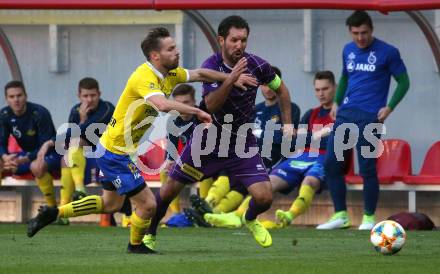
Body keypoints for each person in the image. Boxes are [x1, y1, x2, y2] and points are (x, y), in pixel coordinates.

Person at [27, 27, 255, 254]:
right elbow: (162, 105)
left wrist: (232, 77)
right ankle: (135, 246)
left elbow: (201, 74)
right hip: (115, 153)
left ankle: (53, 213)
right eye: (171, 49)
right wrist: (196, 111)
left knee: (111, 204)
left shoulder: (170, 74)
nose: (177, 52)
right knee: (148, 205)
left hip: (113, 149)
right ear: (156, 56)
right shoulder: (143, 76)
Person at [143, 15, 294, 250]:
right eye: (234, 40)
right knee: (169, 189)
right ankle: (149, 234)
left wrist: (288, 123)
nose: (239, 45)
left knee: (264, 198)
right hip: (208, 141)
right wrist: (231, 79)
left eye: (243, 40)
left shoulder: (258, 65)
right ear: (221, 40)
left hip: (242, 142)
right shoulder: (212, 65)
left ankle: (250, 218)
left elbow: (282, 90)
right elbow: (211, 105)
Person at [204, 71, 336, 228]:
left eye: (325, 89)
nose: (321, 94)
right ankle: (237, 215)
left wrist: (312, 137)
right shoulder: (311, 114)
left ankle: (289, 215)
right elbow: (298, 139)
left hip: (322, 158)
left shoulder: (338, 114)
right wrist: (320, 134)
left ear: (334, 88)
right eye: (317, 90)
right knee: (264, 183)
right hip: (300, 156)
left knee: (310, 181)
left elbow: (335, 143)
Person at [317, 10, 410, 230]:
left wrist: (390, 107)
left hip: (370, 118)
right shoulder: (348, 50)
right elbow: (345, 76)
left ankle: (368, 218)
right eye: (356, 33)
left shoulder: (388, 52)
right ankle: (341, 215)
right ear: (350, 32)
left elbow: (404, 82)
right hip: (346, 115)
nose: (360, 38)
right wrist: (337, 101)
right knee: (331, 164)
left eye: (364, 32)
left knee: (367, 167)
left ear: (372, 29)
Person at [57, 77, 115, 225]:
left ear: (99, 94)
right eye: (85, 96)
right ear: (79, 96)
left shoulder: (107, 108)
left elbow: (80, 131)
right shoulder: (75, 110)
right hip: (82, 158)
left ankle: (72, 199)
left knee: (74, 144)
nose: (89, 99)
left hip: (106, 155)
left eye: (93, 95)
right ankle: (65, 208)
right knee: (66, 158)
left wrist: (82, 120)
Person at [0, 80, 61, 207]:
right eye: (12, 97)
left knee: (36, 166)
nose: (16, 99)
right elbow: (1, 142)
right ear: (7, 99)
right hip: (26, 155)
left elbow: (46, 146)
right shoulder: (4, 115)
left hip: (51, 153)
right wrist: (5, 157)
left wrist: (24, 159)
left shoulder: (39, 113)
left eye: (19, 95)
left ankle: (52, 208)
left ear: (26, 96)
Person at [255, 65, 301, 169]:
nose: (267, 89)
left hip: (275, 161)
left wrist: (257, 132)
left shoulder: (290, 108)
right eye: (264, 85)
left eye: (271, 85)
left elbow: (286, 139)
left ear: (279, 84)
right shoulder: (255, 109)